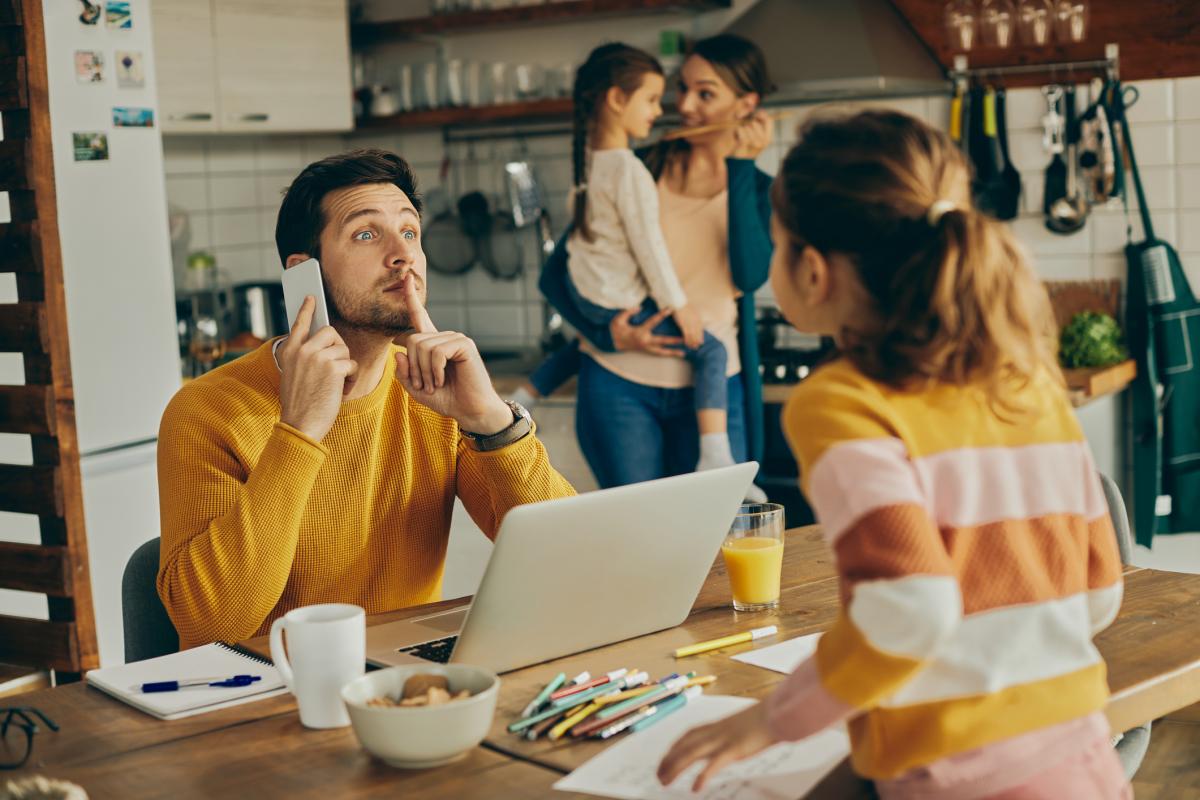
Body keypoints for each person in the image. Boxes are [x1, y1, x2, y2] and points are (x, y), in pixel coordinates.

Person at [657, 110, 1129, 798]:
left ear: (811, 271)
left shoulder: (842, 402)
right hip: (1085, 759)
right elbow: (1098, 594)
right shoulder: (1027, 378)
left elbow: (910, 610)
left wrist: (770, 721)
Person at [157, 149, 575, 650]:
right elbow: (210, 627)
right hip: (263, 694)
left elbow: (567, 559)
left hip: (399, 683)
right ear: (302, 273)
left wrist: (491, 421)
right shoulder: (209, 410)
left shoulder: (433, 395)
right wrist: (300, 430)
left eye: (410, 232)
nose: (404, 255)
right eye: (366, 234)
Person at [536, 34, 775, 498]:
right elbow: (556, 275)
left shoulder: (759, 188)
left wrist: (742, 168)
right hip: (618, 385)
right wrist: (608, 333)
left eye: (705, 94)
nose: (683, 105)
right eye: (680, 89)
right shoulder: (636, 166)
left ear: (746, 105)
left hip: (712, 392)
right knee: (638, 544)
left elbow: (748, 277)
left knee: (718, 539)